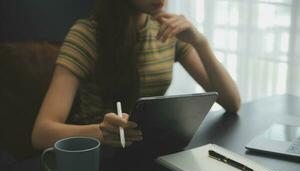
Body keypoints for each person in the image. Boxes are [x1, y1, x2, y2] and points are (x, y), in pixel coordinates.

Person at [32, 0, 241, 150]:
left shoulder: (167, 29)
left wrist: (200, 42)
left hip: (152, 152)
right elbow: (41, 133)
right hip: (101, 159)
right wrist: (101, 132)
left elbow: (232, 103)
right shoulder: (87, 35)